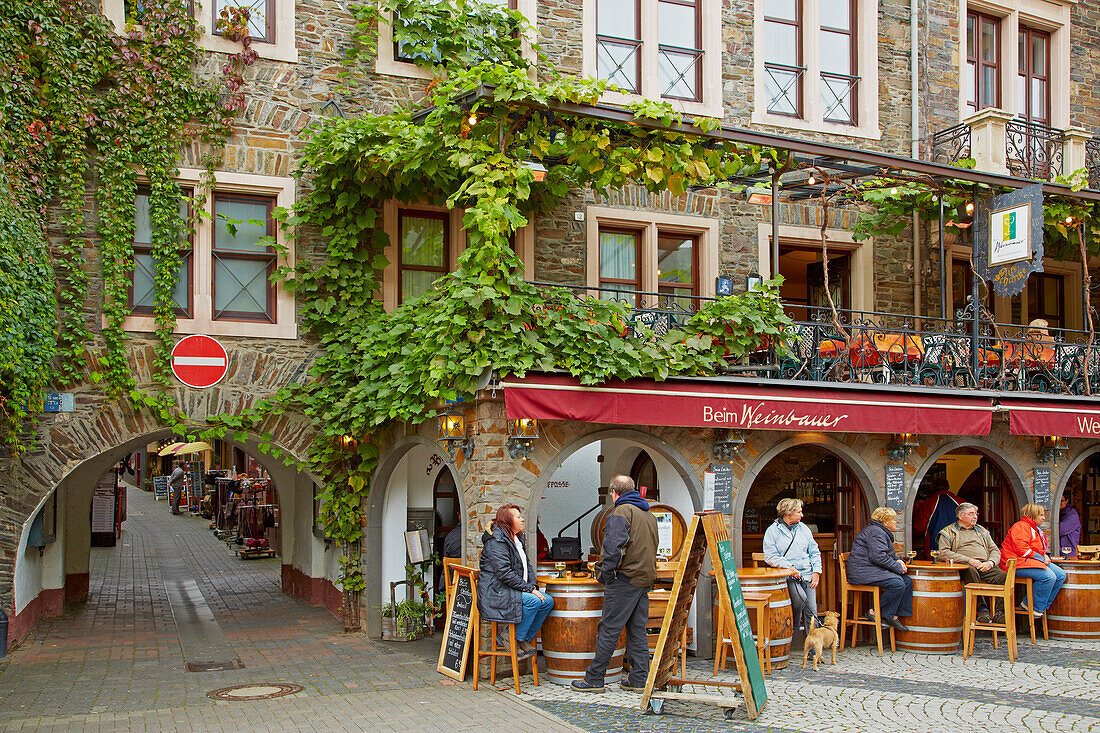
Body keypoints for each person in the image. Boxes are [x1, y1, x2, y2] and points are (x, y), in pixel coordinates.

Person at [572, 475, 658, 693]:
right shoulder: (648, 514)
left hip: (625, 579)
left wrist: (605, 575)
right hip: (644, 579)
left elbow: (613, 550)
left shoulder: (620, 512)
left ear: (614, 492)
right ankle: (639, 678)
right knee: (637, 630)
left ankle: (594, 678)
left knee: (609, 629)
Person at [478, 505, 553, 659]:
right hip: (496, 592)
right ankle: (509, 637)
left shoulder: (517, 538)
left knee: (547, 602)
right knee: (533, 601)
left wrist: (533, 585)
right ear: (508, 521)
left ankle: (522, 638)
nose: (522, 519)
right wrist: (530, 590)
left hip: (512, 589)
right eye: (518, 517)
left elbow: (528, 566)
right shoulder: (496, 541)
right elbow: (504, 573)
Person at [937, 502, 1006, 623]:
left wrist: (990, 563)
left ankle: (1000, 612)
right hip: (964, 566)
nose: (975, 516)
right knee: (971, 570)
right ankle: (982, 609)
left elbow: (994, 550)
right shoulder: (948, 532)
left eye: (976, 514)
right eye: (971, 514)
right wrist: (969, 560)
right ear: (960, 516)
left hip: (984, 565)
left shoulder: (982, 531)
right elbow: (943, 553)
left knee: (1004, 576)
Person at [846, 507, 911, 632]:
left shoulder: (878, 531)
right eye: (894, 520)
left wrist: (898, 561)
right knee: (897, 584)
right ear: (885, 522)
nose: (896, 522)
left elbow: (886, 554)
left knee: (907, 581)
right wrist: (897, 567)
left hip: (870, 569)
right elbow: (878, 557)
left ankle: (893, 615)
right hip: (862, 571)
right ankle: (874, 612)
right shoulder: (876, 532)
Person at [762, 498, 822, 633]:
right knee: (801, 599)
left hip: (807, 574)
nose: (802, 515)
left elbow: (814, 551)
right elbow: (770, 556)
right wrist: (790, 568)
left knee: (812, 610)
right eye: (799, 512)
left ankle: (813, 649)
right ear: (788, 513)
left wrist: (816, 572)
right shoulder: (772, 531)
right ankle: (793, 628)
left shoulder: (804, 529)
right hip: (788, 576)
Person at [1001, 503, 1067, 617]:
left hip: (1029, 561)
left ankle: (1042, 606)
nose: (1044, 518)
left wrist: (1044, 556)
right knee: (1049, 577)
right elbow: (1022, 550)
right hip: (1015, 563)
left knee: (1061, 575)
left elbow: (1035, 549)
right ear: (1032, 515)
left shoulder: (1035, 529)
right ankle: (1033, 606)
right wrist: (1042, 558)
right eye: (1041, 515)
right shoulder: (1020, 526)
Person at [1059, 493, 1082, 558]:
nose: (1059, 503)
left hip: (1069, 553)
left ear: (1067, 501)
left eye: (1062, 501)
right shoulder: (1061, 513)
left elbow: (1061, 530)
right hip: (1061, 552)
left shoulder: (1072, 515)